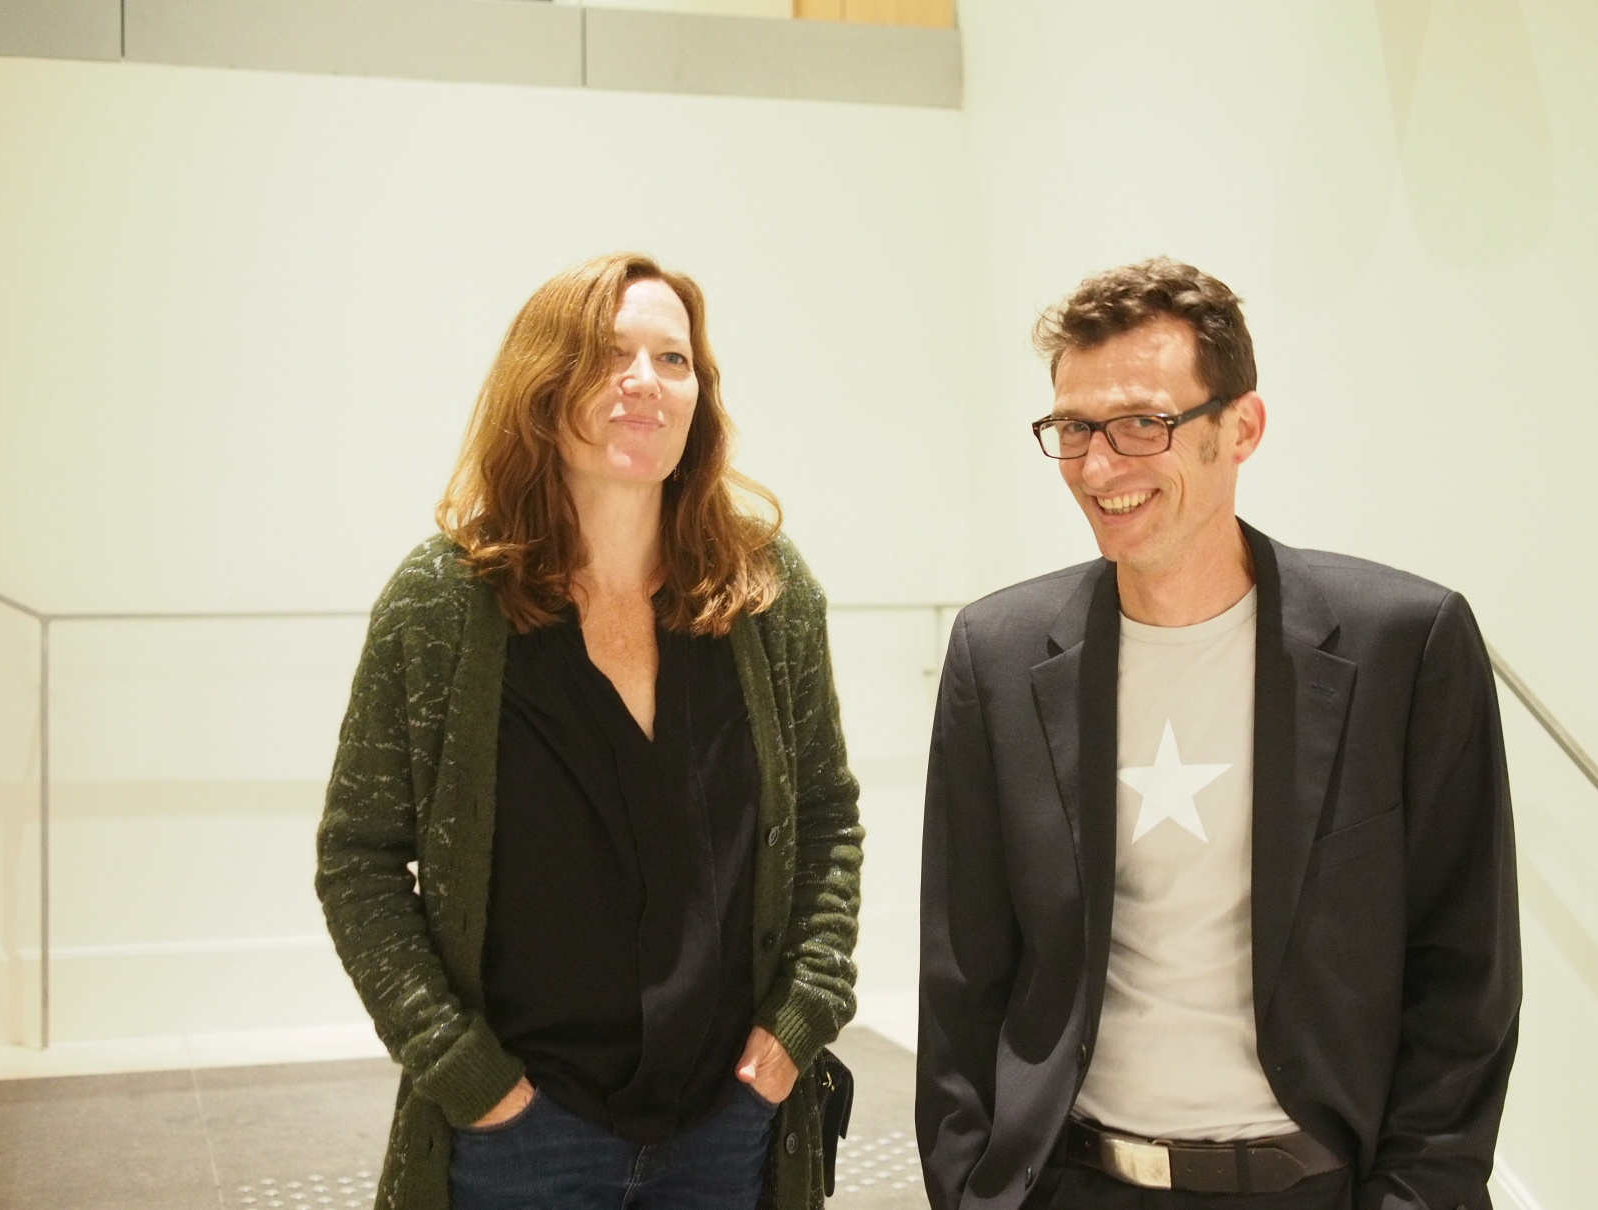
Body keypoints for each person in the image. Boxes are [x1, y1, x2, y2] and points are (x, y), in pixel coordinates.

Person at [916, 257, 1518, 1210]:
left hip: (1314, 1186)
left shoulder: (1403, 646)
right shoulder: (996, 654)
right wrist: (969, 1190)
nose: (1098, 466)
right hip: (1073, 1182)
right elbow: (962, 972)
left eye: (1141, 424)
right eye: (1072, 428)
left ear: (1240, 428)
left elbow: (1465, 977)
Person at [317, 252, 862, 1210]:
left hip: (729, 1118)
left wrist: (799, 1020)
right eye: (609, 355)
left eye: (673, 359)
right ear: (540, 387)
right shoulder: (442, 604)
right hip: (522, 1136)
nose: (645, 381)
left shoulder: (765, 591)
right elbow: (359, 859)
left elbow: (824, 817)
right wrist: (463, 1072)